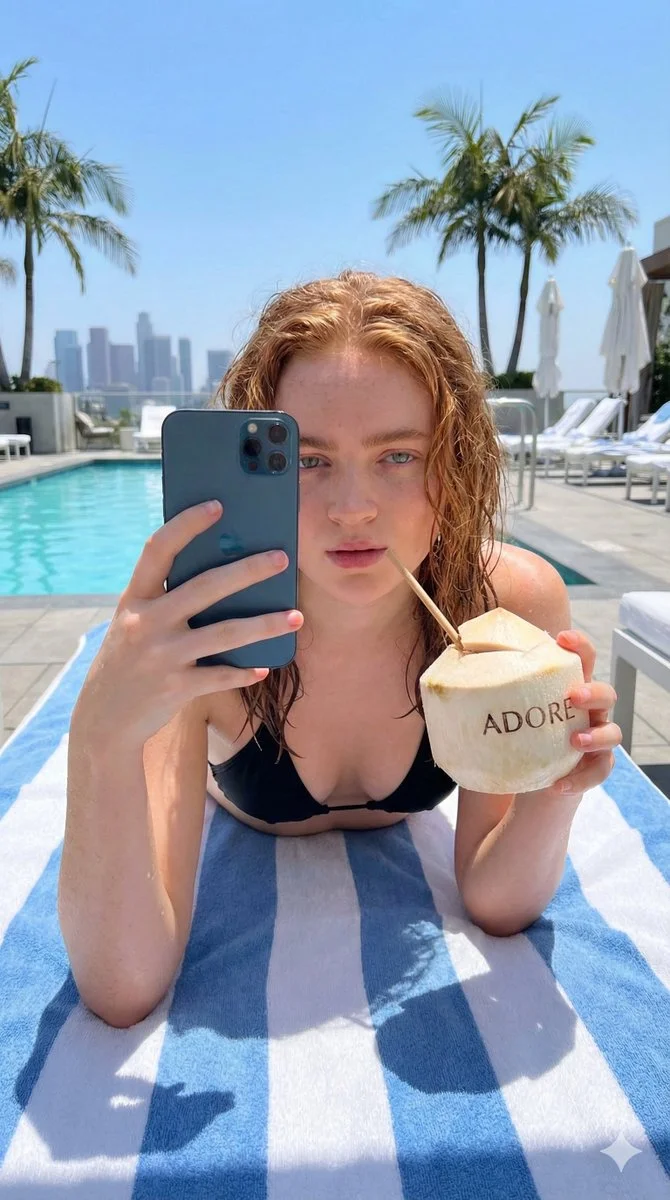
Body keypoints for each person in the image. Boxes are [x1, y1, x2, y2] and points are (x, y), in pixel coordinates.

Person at [59, 270, 621, 1027]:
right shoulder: (206, 629)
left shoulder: (505, 609)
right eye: (310, 460)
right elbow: (122, 985)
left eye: (398, 456)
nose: (352, 510)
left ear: (452, 464)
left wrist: (558, 788)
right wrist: (97, 736)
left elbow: (495, 901)